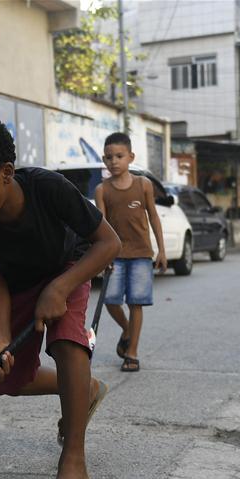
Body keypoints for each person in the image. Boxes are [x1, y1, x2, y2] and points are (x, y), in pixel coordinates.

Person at [0, 114, 121, 479]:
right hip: (18, 285)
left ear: (5, 173)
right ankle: (83, 389)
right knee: (10, 379)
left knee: (67, 341)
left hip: (68, 267)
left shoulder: (48, 189)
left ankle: (74, 465)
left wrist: (60, 287)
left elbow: (109, 242)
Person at [95, 132, 167, 372]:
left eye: (119, 156)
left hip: (141, 254)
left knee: (136, 302)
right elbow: (101, 227)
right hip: (114, 254)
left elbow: (154, 217)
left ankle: (132, 353)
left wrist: (162, 250)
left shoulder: (143, 185)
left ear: (130, 157)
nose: (113, 161)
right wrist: (101, 257)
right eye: (108, 157)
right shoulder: (102, 190)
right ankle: (127, 330)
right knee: (111, 300)